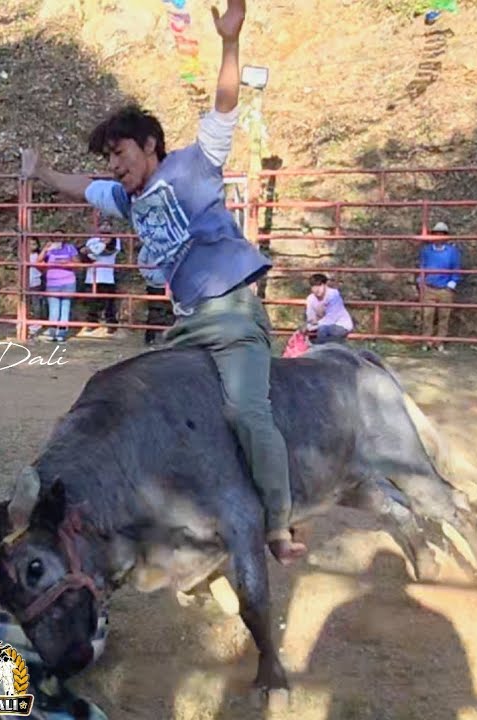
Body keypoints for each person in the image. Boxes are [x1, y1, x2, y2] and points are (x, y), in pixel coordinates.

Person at [20, 0, 307, 564]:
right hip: (185, 328)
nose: (114, 165)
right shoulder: (126, 197)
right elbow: (83, 187)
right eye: (108, 157)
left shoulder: (195, 167)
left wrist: (229, 42)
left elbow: (225, 104)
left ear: (150, 144)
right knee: (140, 395)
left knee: (250, 413)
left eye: (119, 152)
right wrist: (41, 172)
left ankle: (278, 523)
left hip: (231, 316)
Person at [419, 221, 462, 352]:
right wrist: (421, 281)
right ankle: (426, 342)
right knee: (427, 315)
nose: (439, 236)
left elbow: (456, 268)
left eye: (442, 234)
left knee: (444, 316)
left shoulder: (452, 252)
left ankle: (439, 342)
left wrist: (452, 283)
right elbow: (422, 266)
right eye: (436, 233)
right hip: (429, 287)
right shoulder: (426, 251)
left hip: (445, 289)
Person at [80, 225, 121, 337]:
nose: (105, 228)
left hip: (107, 277)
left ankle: (111, 324)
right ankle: (92, 322)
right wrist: (91, 250)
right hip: (91, 276)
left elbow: (109, 252)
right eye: (103, 225)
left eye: (108, 226)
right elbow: (83, 252)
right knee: (92, 302)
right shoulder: (92, 240)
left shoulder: (115, 240)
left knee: (109, 302)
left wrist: (94, 249)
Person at [36, 238, 79, 343]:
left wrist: (68, 262)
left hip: (68, 281)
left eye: (60, 237)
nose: (58, 240)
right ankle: (52, 333)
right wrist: (45, 249)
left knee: (65, 307)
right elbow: (38, 261)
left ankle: (62, 334)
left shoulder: (70, 248)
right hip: (52, 282)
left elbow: (77, 262)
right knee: (53, 308)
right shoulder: (49, 249)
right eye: (55, 237)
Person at [305, 273, 353, 345]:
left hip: (340, 325)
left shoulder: (334, 295)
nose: (317, 289)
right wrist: (309, 326)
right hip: (320, 327)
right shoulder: (310, 299)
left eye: (319, 286)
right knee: (313, 334)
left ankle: (320, 349)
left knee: (323, 330)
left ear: (325, 285)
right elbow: (310, 317)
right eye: (314, 286)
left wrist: (317, 322)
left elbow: (332, 318)